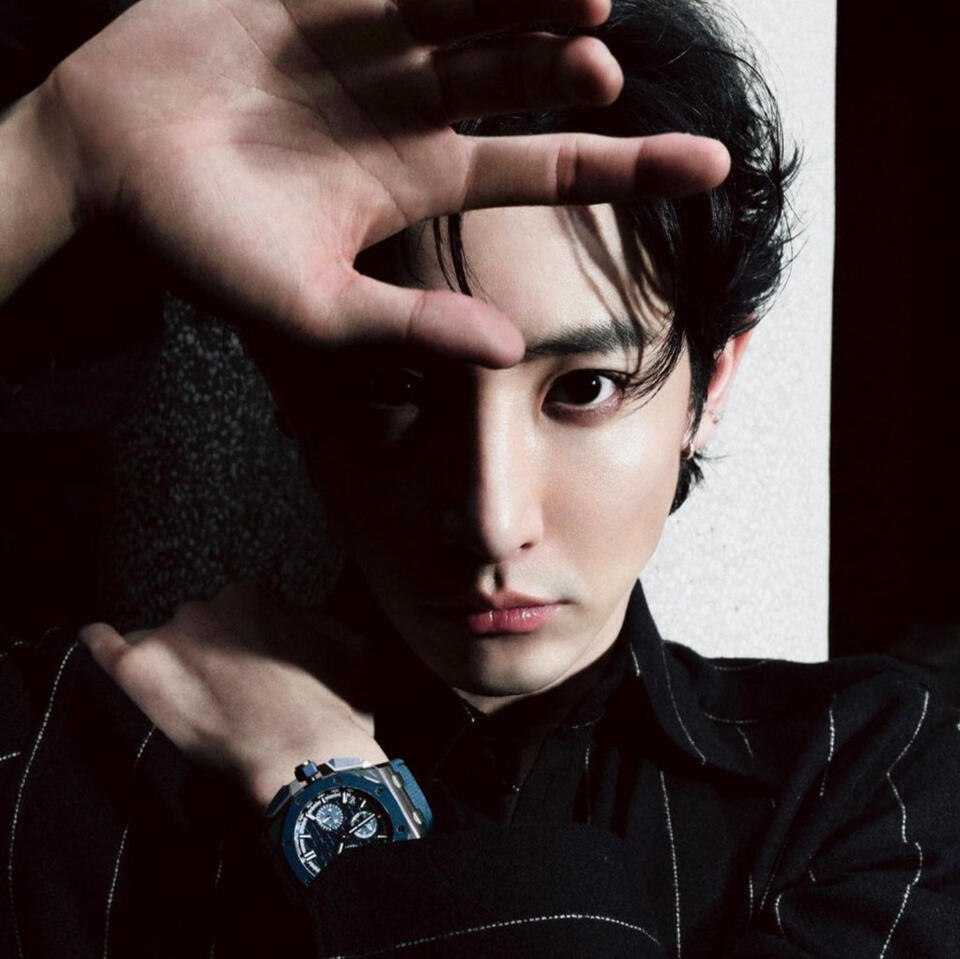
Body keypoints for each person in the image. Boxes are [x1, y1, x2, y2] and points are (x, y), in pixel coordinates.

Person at [1, 0, 958, 956]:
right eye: (398, 384)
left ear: (711, 387)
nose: (494, 520)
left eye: (584, 387)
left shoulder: (871, 778)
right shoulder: (84, 750)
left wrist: (333, 796)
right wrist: (51, 150)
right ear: (289, 390)